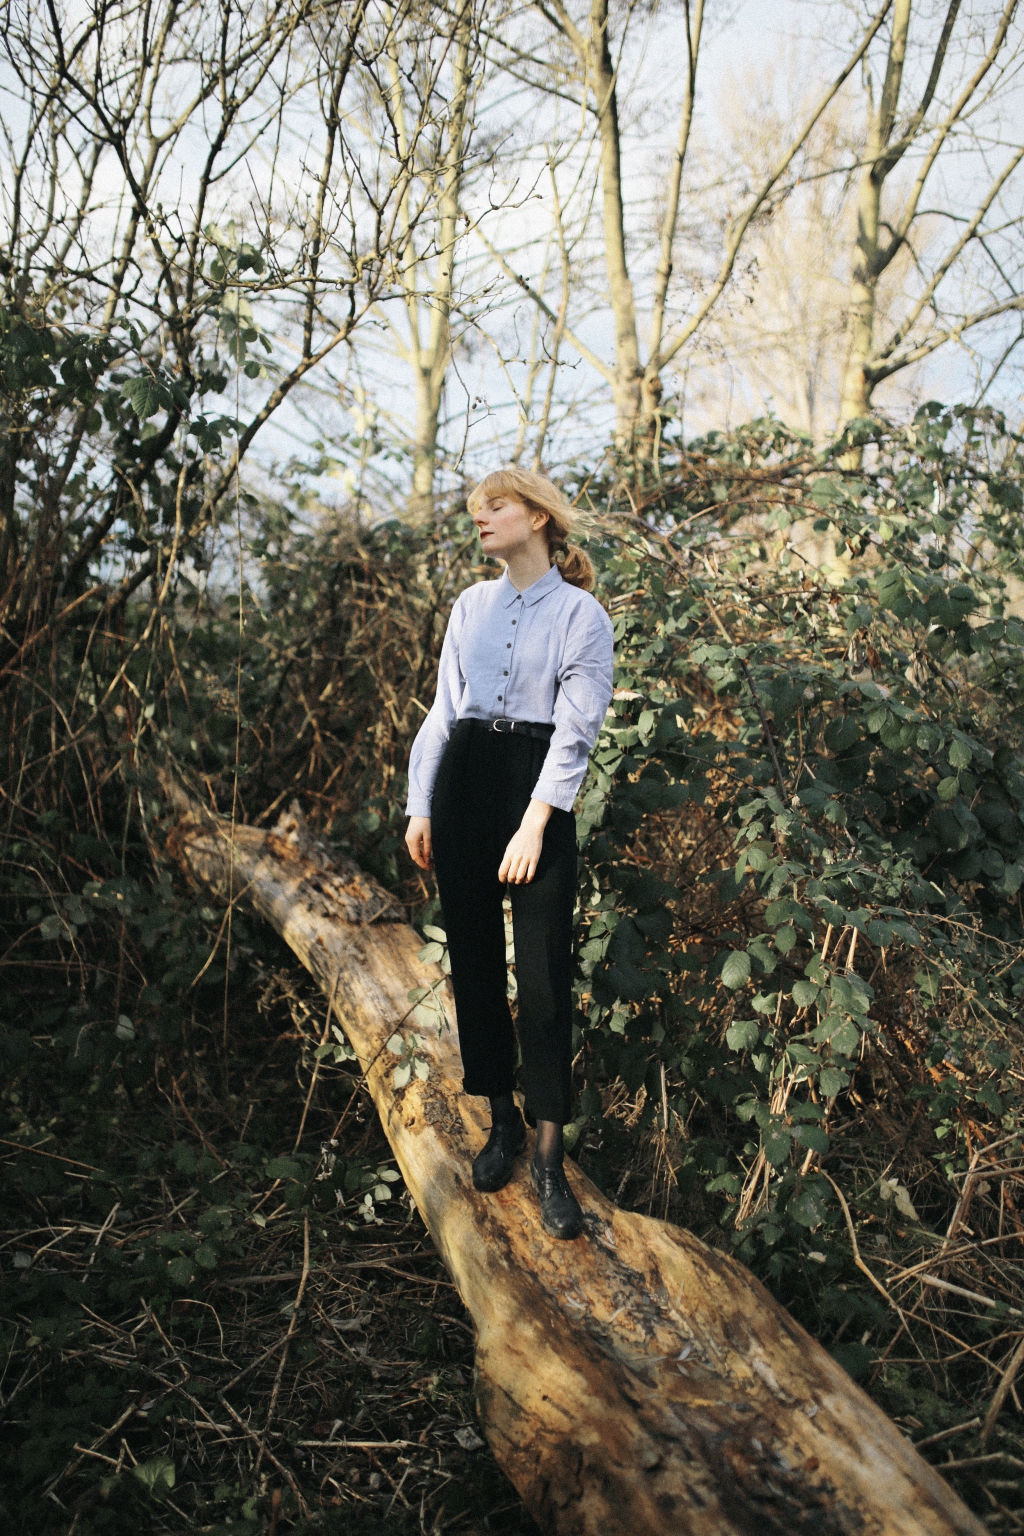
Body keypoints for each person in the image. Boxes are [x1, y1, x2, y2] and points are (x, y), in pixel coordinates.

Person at [405, 468, 614, 1241]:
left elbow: (576, 730)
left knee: (546, 974)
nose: (481, 517)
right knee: (475, 962)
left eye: (495, 506)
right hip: (465, 779)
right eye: (476, 509)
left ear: (537, 516)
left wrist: (534, 824)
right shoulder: (471, 606)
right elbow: (444, 709)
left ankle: (551, 1154)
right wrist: (420, 802)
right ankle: (502, 1124)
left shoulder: (581, 615)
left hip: (537, 787)